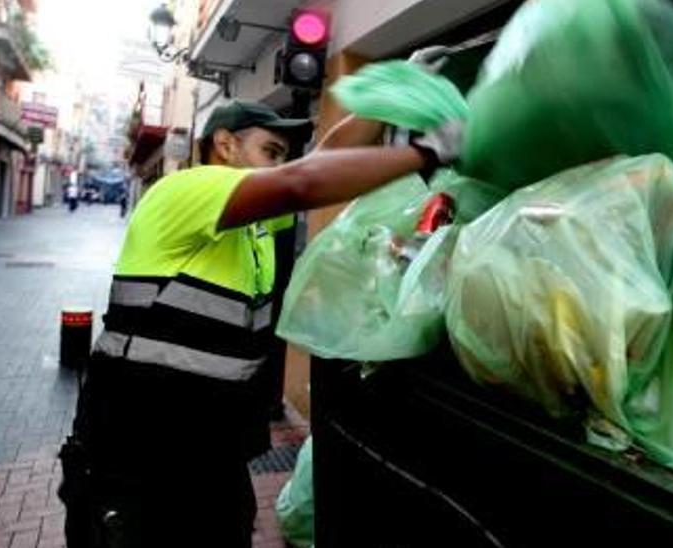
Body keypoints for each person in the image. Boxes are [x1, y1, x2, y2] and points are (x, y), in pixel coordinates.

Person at [57, 97, 462, 547]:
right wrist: (427, 152)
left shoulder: (254, 227)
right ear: (226, 145)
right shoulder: (186, 189)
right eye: (271, 151)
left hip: (208, 450)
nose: (281, 164)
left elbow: (321, 164)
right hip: (141, 446)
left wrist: (390, 98)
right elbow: (303, 180)